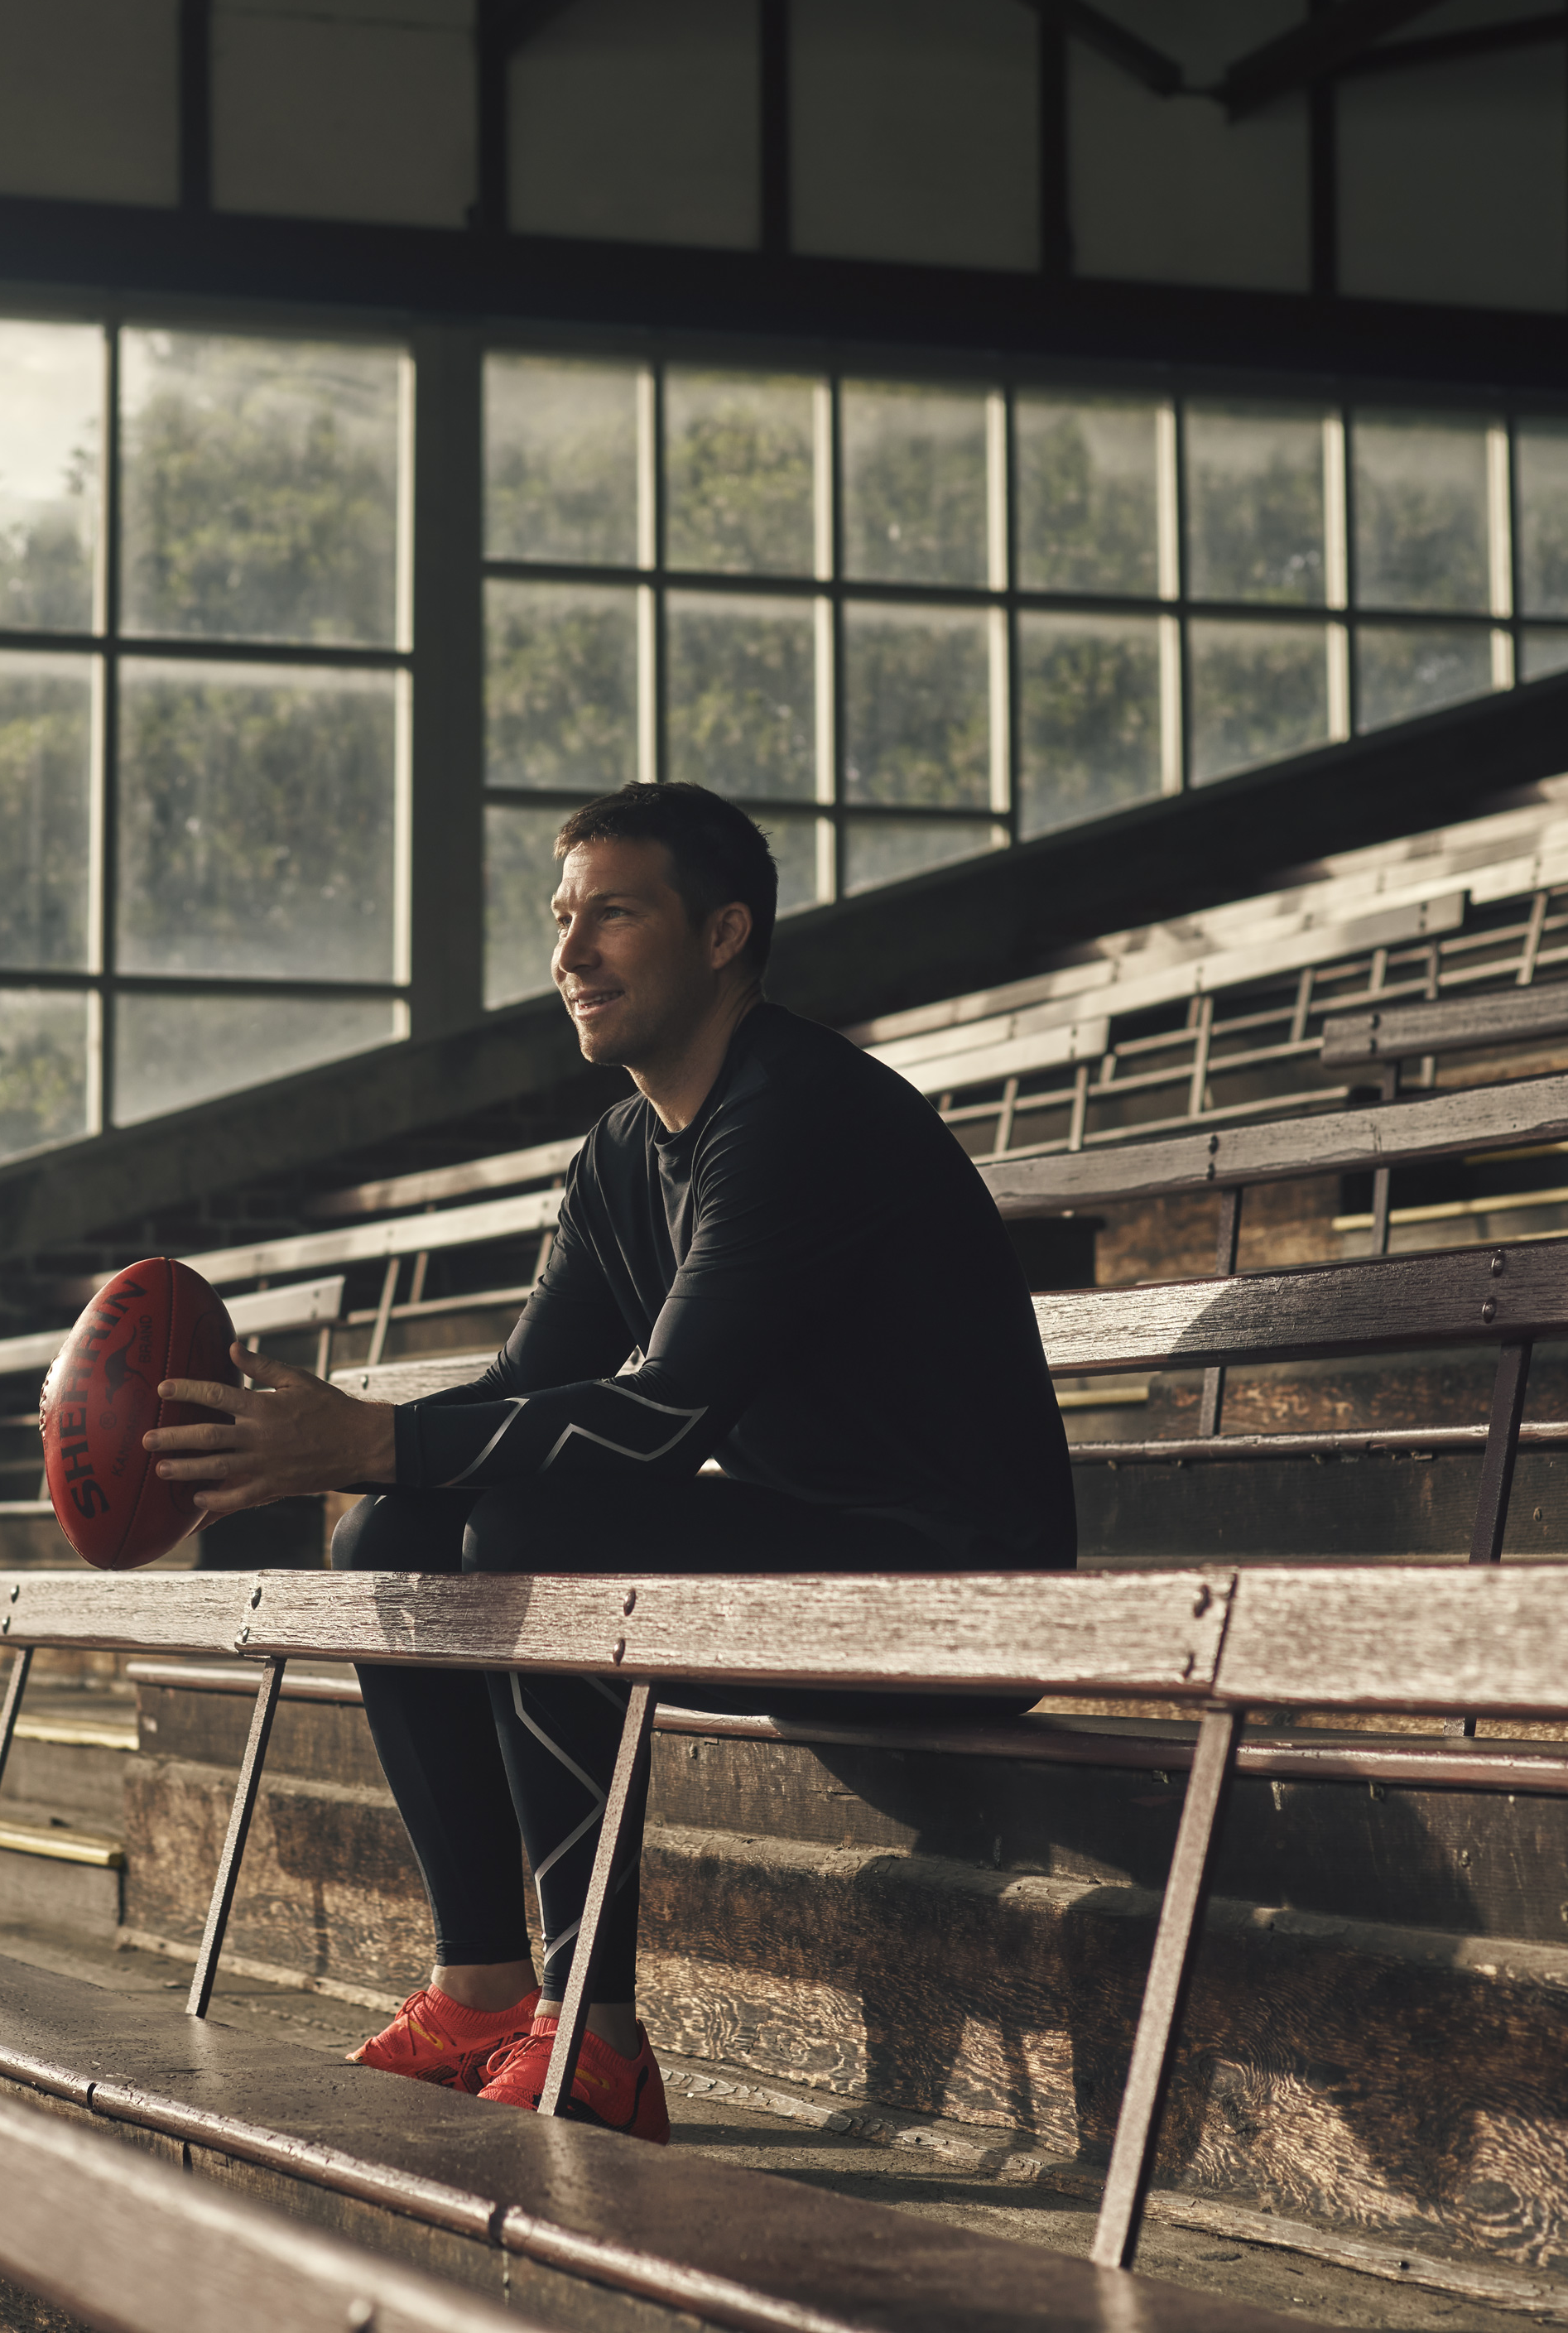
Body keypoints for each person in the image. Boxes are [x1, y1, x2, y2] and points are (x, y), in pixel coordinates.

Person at [143, 781, 1074, 2143]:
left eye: (613, 915)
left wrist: (373, 1435)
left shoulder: (800, 1113)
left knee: (524, 1526)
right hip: (802, 1548)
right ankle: (479, 1988)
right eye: (560, 918)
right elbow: (528, 1388)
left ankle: (599, 2032)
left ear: (721, 934)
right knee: (385, 1537)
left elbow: (660, 1415)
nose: (568, 954)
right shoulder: (622, 1151)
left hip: (956, 1585)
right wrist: (326, 1449)